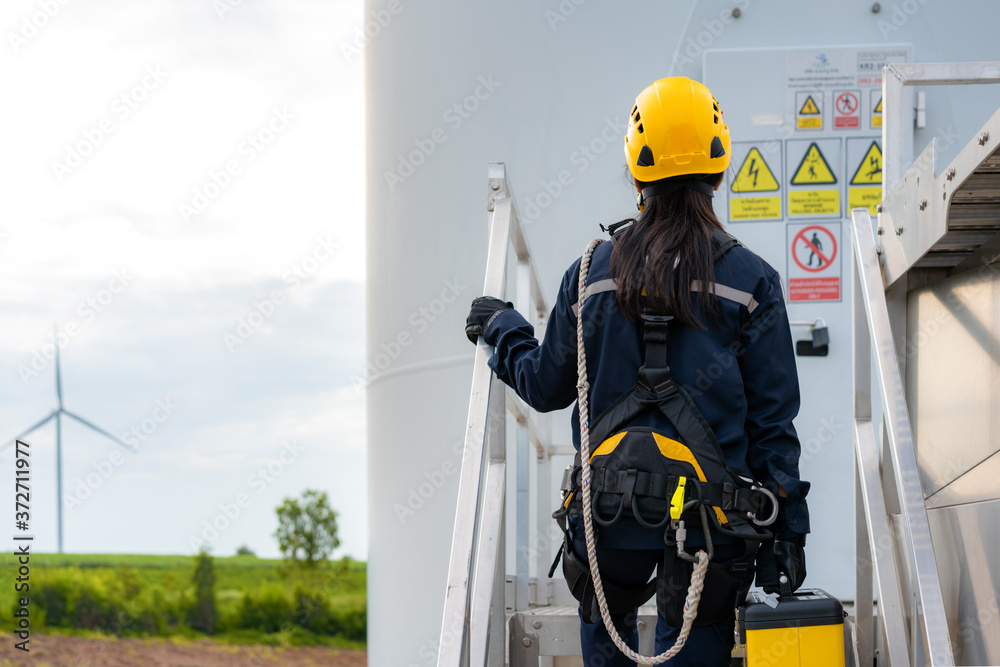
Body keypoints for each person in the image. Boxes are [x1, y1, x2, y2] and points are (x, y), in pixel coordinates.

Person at [465, 77, 809, 667]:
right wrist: (789, 529)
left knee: (607, 632)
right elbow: (774, 425)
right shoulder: (752, 282)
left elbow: (547, 386)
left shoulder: (592, 273)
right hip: (711, 523)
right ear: (719, 168)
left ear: (637, 170)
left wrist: (504, 329)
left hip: (608, 516)